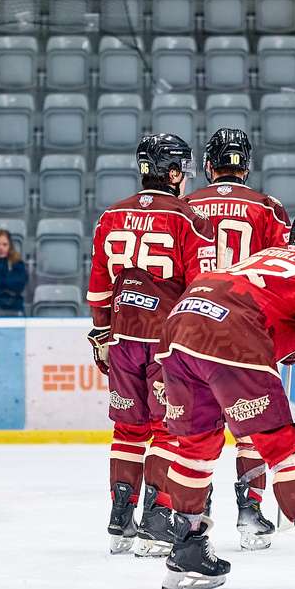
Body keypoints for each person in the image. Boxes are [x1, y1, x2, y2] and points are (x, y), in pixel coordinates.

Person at [155, 206, 295, 589]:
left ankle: (186, 546)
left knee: (194, 447)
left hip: (181, 322)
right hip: (232, 330)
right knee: (282, 449)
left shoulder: (263, 256)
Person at [86, 133, 215, 557]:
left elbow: (98, 287)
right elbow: (201, 287)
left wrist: (102, 332)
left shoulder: (111, 215)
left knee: (127, 430)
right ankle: (157, 520)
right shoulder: (187, 217)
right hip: (167, 342)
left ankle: (119, 519)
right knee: (168, 429)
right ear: (174, 171)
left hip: (123, 336)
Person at [184, 127, 291, 551]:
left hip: (196, 326)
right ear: (246, 164)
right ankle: (250, 513)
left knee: (199, 428)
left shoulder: (186, 205)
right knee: (254, 425)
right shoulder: (268, 207)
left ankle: (196, 512)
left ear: (209, 165)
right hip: (249, 329)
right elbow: (287, 271)